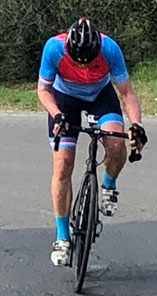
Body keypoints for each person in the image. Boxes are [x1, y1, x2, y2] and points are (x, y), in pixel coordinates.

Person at [37, 18, 148, 266]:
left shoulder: (109, 49)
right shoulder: (54, 48)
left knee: (117, 143)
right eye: (78, 61)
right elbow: (43, 90)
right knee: (63, 165)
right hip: (64, 100)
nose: (83, 65)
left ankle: (109, 185)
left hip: (100, 96)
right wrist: (56, 115)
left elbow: (126, 92)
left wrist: (137, 125)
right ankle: (62, 237)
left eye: (88, 60)